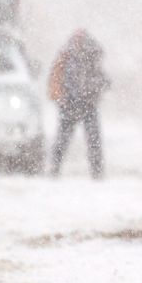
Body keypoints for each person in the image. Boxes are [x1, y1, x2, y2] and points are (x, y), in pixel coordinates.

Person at [47, 29, 110, 178]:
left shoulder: (84, 57)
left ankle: (95, 171)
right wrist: (61, 97)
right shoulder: (68, 56)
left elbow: (100, 78)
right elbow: (56, 78)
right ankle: (56, 168)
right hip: (72, 103)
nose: (78, 42)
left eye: (80, 39)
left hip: (83, 103)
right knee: (67, 139)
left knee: (86, 139)